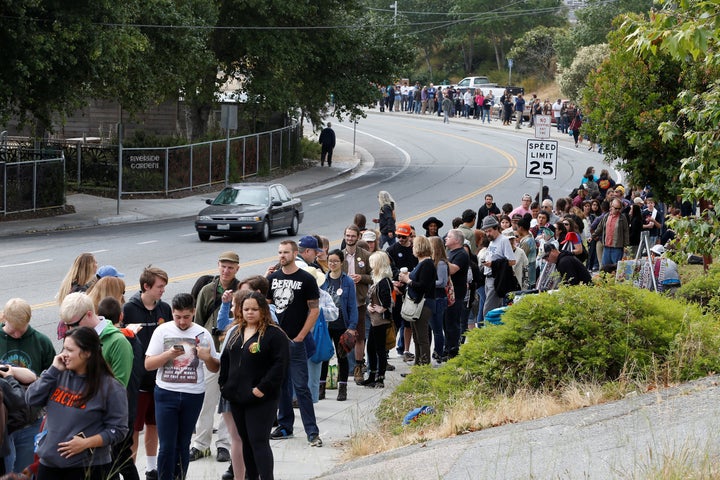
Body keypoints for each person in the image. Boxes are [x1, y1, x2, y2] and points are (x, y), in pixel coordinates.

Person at [25, 326, 128, 480]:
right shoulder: (57, 375)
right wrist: (52, 371)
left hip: (88, 468)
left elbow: (119, 430)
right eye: (63, 349)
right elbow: (31, 399)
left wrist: (86, 443)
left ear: (87, 353)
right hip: (49, 465)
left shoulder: (111, 388)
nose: (63, 355)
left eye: (69, 350)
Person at [144, 293, 220, 480]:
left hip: (192, 395)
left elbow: (215, 366)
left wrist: (207, 357)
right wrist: (168, 355)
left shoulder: (203, 333)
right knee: (167, 445)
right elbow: (148, 364)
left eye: (186, 317)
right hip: (166, 393)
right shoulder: (162, 331)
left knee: (183, 443)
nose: (182, 322)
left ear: (193, 312)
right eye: (177, 317)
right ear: (172, 312)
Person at [219, 292, 289, 480]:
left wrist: (261, 389)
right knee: (246, 442)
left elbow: (279, 366)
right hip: (237, 397)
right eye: (246, 309)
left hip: (261, 398)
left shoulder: (274, 334)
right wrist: (224, 386)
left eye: (255, 309)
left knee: (258, 441)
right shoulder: (235, 332)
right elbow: (226, 360)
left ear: (263, 310)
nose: (250, 313)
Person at [266, 240, 322, 447]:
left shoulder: (306, 279)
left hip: (296, 341)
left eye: (286, 252)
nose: (282, 255)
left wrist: (300, 336)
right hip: (277, 342)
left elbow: (314, 310)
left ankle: (312, 431)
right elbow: (267, 307)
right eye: (280, 252)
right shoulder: (272, 278)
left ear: (295, 253)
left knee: (301, 387)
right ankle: (285, 426)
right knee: (281, 386)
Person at [122, 266, 172, 479]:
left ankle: (151, 468)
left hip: (160, 379)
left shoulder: (165, 309)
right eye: (160, 287)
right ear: (146, 286)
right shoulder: (129, 309)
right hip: (138, 381)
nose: (163, 291)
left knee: (154, 424)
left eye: (164, 287)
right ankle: (130, 469)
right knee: (134, 428)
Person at [191, 252, 240, 463]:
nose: (226, 270)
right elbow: (198, 321)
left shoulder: (241, 289)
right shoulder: (206, 290)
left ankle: (224, 445)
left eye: (230, 267)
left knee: (228, 402)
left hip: (232, 352)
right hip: (210, 353)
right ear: (218, 266)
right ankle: (201, 444)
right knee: (206, 400)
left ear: (237, 269)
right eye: (223, 266)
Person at [0, 298, 53, 474]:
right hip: (4, 424)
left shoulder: (41, 342)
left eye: (21, 330)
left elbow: (53, 379)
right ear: (4, 318)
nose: (16, 335)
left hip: (30, 422)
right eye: (13, 330)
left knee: (24, 473)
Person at [98, 297, 143, 480]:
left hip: (117, 410)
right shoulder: (133, 340)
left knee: (117, 458)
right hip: (130, 404)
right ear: (121, 315)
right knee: (121, 456)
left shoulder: (112, 342)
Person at [60, 292, 133, 389]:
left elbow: (119, 387)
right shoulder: (75, 338)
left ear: (89, 314)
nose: (71, 330)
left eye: (75, 325)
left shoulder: (118, 342)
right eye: (67, 326)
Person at [319, 250, 358, 400]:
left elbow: (352, 305)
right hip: (326, 324)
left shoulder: (347, 281)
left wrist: (352, 327)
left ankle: (343, 388)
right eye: (330, 261)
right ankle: (321, 387)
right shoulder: (323, 280)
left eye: (336, 261)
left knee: (342, 357)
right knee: (324, 356)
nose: (332, 264)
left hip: (342, 324)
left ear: (342, 262)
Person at [398, 236, 436, 366]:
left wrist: (407, 280)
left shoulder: (427, 264)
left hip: (423, 304)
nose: (412, 248)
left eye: (414, 246)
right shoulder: (422, 263)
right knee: (417, 336)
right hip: (418, 303)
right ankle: (417, 364)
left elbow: (423, 286)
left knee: (422, 337)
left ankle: (424, 366)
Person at [341, 225, 372, 384]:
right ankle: (345, 367)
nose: (350, 239)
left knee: (359, 335)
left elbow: (373, 276)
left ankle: (359, 367)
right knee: (343, 335)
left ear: (358, 237)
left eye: (353, 236)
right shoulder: (339, 256)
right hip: (342, 302)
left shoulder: (366, 255)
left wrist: (361, 278)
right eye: (348, 236)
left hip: (359, 301)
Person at [385, 223, 418, 362]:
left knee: (408, 322)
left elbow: (419, 266)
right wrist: (394, 282)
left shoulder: (414, 250)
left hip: (410, 288)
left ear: (410, 236)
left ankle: (405, 350)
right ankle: (386, 350)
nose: (401, 239)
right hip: (396, 289)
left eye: (404, 237)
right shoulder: (391, 249)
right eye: (399, 236)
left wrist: (410, 278)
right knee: (394, 322)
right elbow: (388, 268)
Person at [360, 251, 394, 387]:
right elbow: (373, 297)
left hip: (381, 320)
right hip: (375, 318)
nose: (370, 264)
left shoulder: (384, 281)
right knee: (371, 348)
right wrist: (370, 306)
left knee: (380, 349)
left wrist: (383, 308)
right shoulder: (378, 279)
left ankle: (380, 377)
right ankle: (372, 375)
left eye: (372, 262)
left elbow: (387, 299)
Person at [480, 216, 516, 319]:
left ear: (496, 228)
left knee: (487, 311)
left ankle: (487, 332)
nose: (488, 234)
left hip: (496, 279)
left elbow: (512, 261)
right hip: (488, 277)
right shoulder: (492, 241)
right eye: (486, 231)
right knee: (496, 310)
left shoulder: (503, 240)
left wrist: (493, 264)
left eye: (489, 231)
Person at [56, 253, 98, 339]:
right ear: (90, 266)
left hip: (69, 326)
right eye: (95, 263)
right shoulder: (82, 289)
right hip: (79, 329)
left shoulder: (69, 283)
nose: (97, 265)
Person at [443, 229, 469, 358]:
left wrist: (441, 258)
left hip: (456, 294)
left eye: (449, 236)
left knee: (453, 322)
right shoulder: (450, 252)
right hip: (448, 293)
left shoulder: (461, 254)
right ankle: (446, 347)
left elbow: (452, 270)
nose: (446, 238)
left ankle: (453, 349)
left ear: (457, 240)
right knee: (446, 322)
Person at [428, 236, 449, 362]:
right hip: (434, 298)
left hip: (438, 298)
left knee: (437, 328)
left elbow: (442, 282)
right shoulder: (433, 261)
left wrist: (427, 282)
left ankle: (439, 352)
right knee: (432, 328)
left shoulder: (440, 263)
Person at [594, 198, 630, 267]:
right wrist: (592, 236)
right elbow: (599, 227)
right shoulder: (606, 216)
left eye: (619, 209)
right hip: (607, 246)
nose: (618, 210)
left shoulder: (622, 218)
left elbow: (626, 232)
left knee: (616, 267)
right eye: (616, 208)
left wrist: (626, 246)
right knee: (605, 267)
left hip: (617, 247)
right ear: (611, 207)